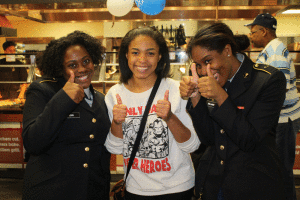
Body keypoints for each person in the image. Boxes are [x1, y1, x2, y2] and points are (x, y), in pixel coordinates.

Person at [179, 22, 286, 199]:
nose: (204, 70)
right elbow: (208, 139)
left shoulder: (267, 81)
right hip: (214, 182)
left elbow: (249, 140)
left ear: (227, 51)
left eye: (207, 61)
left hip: (253, 184)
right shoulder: (210, 80)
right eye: (198, 64)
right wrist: (196, 97)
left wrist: (220, 96)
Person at [104, 27, 200, 200]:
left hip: (178, 187)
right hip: (136, 188)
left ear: (160, 56)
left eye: (150, 53)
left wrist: (170, 117)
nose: (142, 60)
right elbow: (115, 148)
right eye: (135, 52)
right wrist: (117, 123)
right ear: (126, 55)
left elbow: (192, 146)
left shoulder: (176, 90)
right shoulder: (114, 94)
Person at [22, 31, 111, 200]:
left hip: (92, 192)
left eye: (86, 61)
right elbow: (32, 142)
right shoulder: (43, 90)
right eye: (72, 65)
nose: (82, 69)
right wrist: (63, 99)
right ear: (60, 68)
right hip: (52, 191)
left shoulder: (101, 99)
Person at [246, 13, 300, 200]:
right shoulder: (271, 49)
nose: (251, 37)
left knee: (282, 169)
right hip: (281, 119)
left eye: (253, 32)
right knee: (279, 168)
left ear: (264, 31)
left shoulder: (275, 53)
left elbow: (279, 89)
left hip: (283, 121)